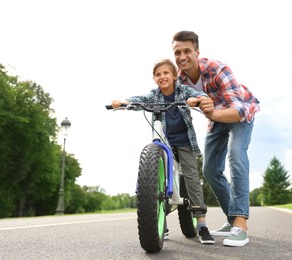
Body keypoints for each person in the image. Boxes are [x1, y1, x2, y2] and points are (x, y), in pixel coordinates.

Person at [111, 59, 214, 244]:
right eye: (158, 74)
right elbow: (140, 100)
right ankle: (160, 223)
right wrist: (125, 102)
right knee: (156, 177)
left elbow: (200, 95)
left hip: (183, 142)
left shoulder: (183, 91)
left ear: (174, 76)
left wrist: (196, 100)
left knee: (191, 176)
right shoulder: (154, 95)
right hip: (163, 141)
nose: (162, 77)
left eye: (166, 73)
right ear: (154, 79)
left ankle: (202, 225)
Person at [171, 31, 260, 247]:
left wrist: (212, 114)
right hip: (216, 119)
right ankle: (231, 219)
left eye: (187, 51)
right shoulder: (179, 78)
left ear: (197, 52)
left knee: (237, 155)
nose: (182, 57)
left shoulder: (217, 69)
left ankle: (240, 223)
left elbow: (238, 109)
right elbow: (164, 96)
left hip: (239, 114)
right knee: (210, 170)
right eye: (177, 52)